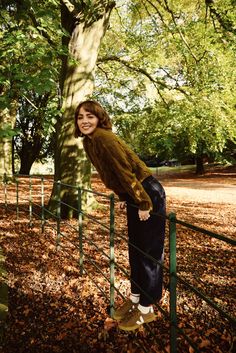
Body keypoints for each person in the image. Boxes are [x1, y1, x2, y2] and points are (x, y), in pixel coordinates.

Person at [74, 100, 166, 331]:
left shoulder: (104, 138)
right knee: (135, 250)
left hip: (147, 192)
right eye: (80, 117)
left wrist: (143, 202)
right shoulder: (89, 141)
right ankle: (135, 299)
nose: (84, 121)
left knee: (148, 252)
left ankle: (146, 309)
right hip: (135, 195)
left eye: (90, 116)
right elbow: (110, 173)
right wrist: (128, 199)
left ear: (99, 118)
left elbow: (125, 171)